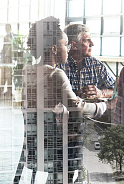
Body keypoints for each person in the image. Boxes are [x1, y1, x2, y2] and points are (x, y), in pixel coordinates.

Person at [14, 17, 108, 184]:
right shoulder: (56, 74)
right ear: (55, 49)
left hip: (36, 147)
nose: (68, 48)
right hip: (58, 150)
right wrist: (102, 106)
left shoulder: (28, 72)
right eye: (66, 45)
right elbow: (78, 108)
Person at [57, 23, 115, 99]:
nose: (92, 44)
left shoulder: (97, 65)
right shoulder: (58, 66)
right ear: (74, 45)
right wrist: (73, 95)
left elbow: (116, 90)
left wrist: (101, 93)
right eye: (88, 40)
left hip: (93, 110)